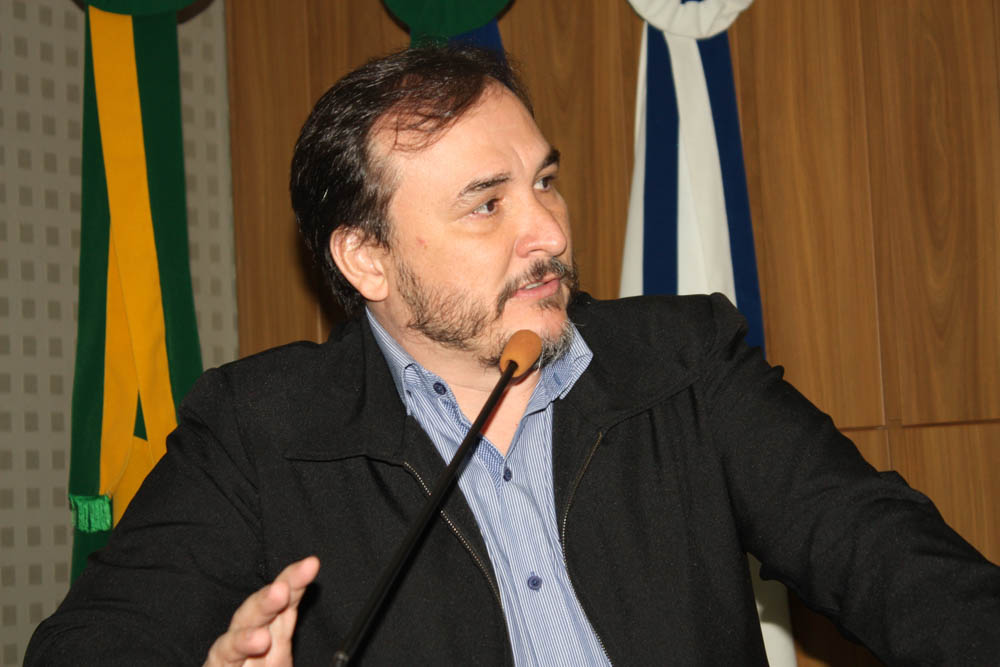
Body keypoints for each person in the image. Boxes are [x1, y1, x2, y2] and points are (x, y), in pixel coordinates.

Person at [27, 45, 1000, 666]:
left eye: (544, 181)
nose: (549, 233)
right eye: (487, 203)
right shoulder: (258, 432)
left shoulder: (685, 361)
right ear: (367, 258)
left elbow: (887, 555)